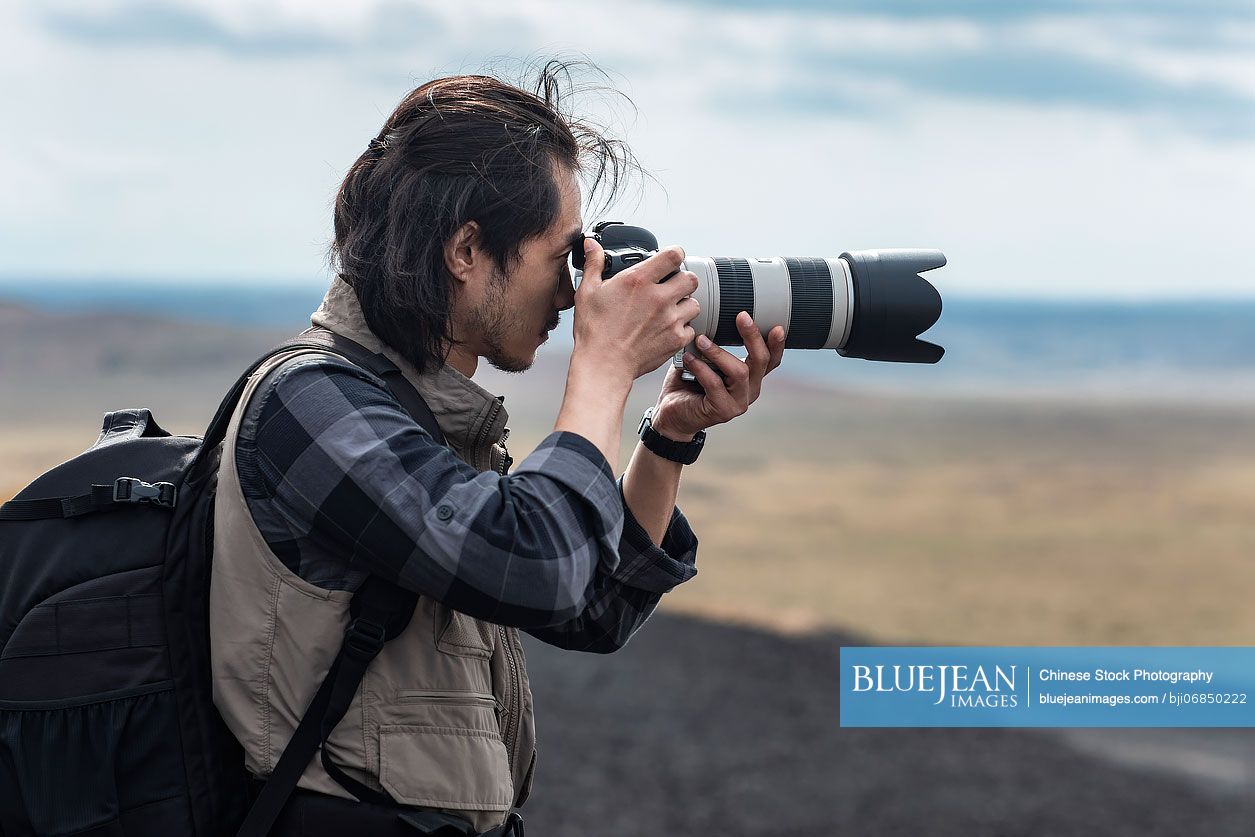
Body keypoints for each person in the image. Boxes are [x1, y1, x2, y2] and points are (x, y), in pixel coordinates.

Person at [209, 62, 786, 836]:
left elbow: (594, 608)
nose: (571, 290)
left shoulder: (423, 423)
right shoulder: (311, 403)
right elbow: (536, 567)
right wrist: (604, 365)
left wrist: (668, 436)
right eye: (560, 256)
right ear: (466, 251)